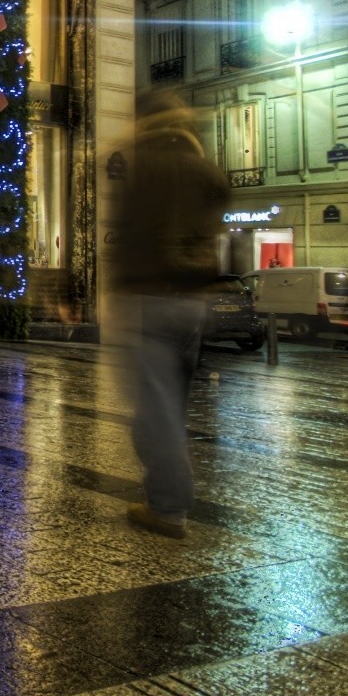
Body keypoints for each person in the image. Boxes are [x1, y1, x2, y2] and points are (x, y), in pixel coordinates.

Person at [112, 89, 230, 539]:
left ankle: (167, 508)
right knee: (170, 407)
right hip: (195, 302)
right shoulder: (208, 171)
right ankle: (167, 501)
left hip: (152, 298)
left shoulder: (148, 168)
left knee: (154, 411)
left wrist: (121, 293)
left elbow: (133, 235)